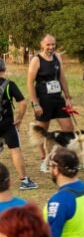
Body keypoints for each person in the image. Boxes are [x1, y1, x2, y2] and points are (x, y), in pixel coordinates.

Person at [26, 34, 75, 166]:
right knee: (42, 131)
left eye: (53, 44)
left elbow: (62, 78)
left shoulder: (57, 57)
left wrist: (68, 97)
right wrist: (35, 103)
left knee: (68, 128)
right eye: (48, 44)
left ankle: (66, 157)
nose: (51, 47)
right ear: (42, 45)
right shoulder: (36, 60)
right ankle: (44, 158)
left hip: (57, 98)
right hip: (43, 99)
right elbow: (30, 82)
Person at [0, 59, 37, 190]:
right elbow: (23, 102)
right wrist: (19, 118)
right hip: (7, 124)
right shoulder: (9, 85)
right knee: (15, 150)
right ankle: (24, 181)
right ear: (4, 69)